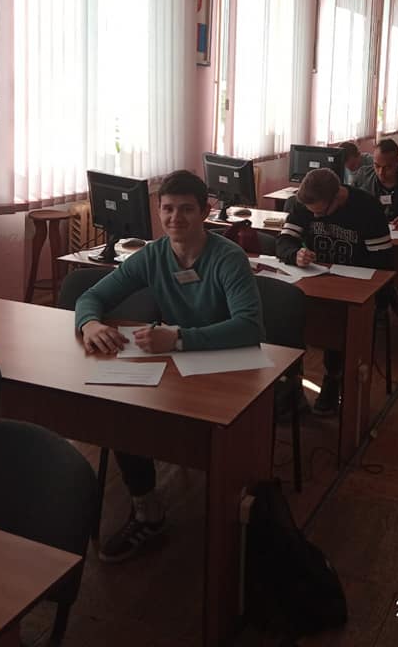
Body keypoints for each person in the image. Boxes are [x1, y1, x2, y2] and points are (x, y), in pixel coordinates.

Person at [75, 170, 262, 561]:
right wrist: (89, 323)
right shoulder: (153, 255)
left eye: (187, 209)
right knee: (120, 410)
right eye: (168, 209)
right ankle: (148, 510)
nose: (176, 218)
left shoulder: (228, 258)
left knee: (211, 439)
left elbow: (249, 327)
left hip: (226, 369)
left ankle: (233, 521)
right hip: (177, 366)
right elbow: (91, 296)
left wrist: (178, 338)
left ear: (205, 211)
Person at [275, 167, 394, 416]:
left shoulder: (367, 208)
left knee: (338, 324)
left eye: (320, 213)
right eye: (311, 212)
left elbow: (383, 261)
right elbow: (284, 241)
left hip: (353, 286)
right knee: (284, 317)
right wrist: (295, 254)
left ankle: (333, 378)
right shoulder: (304, 202)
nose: (314, 217)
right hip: (313, 281)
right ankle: (291, 385)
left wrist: (346, 275)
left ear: (338, 196)